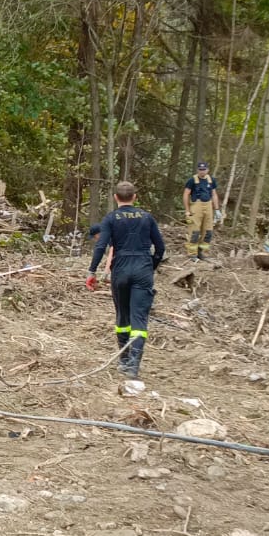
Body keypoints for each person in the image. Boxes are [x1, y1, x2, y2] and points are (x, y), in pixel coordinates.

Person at [87, 182, 166, 379]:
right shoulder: (147, 217)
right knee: (139, 318)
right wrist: (151, 266)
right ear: (135, 197)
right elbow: (160, 247)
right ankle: (133, 365)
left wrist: (92, 271)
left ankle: (123, 360)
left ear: (115, 198)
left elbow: (100, 247)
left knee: (122, 317)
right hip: (142, 269)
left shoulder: (111, 218)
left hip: (120, 269)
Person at [182, 162, 221, 260]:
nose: (202, 171)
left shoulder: (211, 180)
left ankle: (202, 252)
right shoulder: (192, 180)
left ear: (207, 170)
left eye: (204, 169)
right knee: (194, 231)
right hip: (196, 207)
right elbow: (186, 194)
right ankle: (192, 254)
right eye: (200, 169)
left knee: (208, 232)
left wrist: (217, 209)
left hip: (208, 206)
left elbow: (214, 194)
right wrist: (187, 210)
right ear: (197, 170)